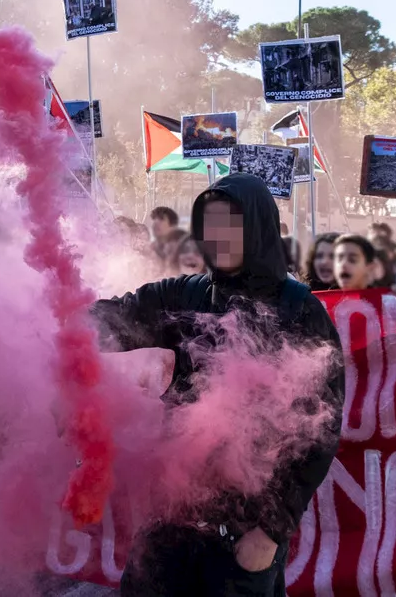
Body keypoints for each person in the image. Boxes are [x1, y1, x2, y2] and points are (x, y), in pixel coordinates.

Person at [91, 173, 343, 596]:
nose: (219, 236)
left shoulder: (301, 311)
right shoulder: (183, 295)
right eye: (210, 224)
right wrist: (68, 330)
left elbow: (320, 434)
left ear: (257, 227)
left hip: (246, 533)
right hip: (171, 516)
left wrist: (269, 532)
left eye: (231, 223)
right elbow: (114, 315)